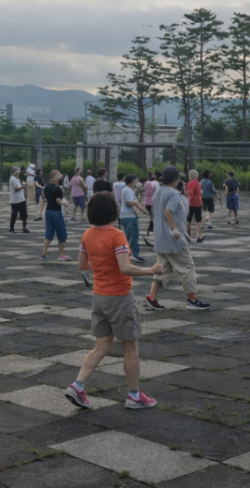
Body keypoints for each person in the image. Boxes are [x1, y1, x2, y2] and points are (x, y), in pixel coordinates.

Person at [65, 192, 164, 411]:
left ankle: (78, 385)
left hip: (99, 297)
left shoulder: (87, 234)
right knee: (131, 348)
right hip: (119, 297)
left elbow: (82, 265)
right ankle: (134, 395)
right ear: (113, 212)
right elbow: (125, 268)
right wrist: (151, 270)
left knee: (101, 346)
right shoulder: (117, 235)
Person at [146, 166, 210, 311]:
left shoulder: (158, 192)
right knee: (187, 268)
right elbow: (168, 213)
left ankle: (152, 297)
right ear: (174, 180)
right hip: (174, 239)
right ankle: (192, 300)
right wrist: (174, 228)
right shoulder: (173, 193)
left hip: (161, 238)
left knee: (162, 269)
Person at [41, 170, 71, 261]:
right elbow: (58, 201)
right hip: (56, 212)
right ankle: (61, 254)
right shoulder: (57, 189)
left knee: (49, 233)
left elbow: (44, 197)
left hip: (48, 211)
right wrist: (64, 203)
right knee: (62, 233)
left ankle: (43, 254)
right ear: (56, 178)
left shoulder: (46, 187)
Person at [119, 174, 147, 263]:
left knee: (129, 236)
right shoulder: (127, 190)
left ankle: (127, 254)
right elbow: (130, 203)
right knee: (133, 236)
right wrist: (141, 208)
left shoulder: (129, 190)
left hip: (129, 216)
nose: (137, 182)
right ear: (133, 181)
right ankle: (132, 255)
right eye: (136, 180)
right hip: (128, 216)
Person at [8, 166, 29, 233]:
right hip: (17, 200)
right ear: (15, 173)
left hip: (18, 199)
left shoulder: (15, 179)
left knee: (17, 215)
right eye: (18, 172)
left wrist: (22, 184)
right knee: (20, 215)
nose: (19, 174)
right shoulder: (13, 179)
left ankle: (13, 228)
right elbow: (16, 189)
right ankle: (21, 228)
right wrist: (23, 186)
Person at [186, 169, 204, 242]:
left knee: (188, 220)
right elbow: (199, 192)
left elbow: (190, 193)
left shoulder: (190, 183)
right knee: (198, 221)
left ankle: (188, 235)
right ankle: (198, 236)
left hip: (190, 203)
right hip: (198, 203)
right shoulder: (198, 183)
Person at [142, 171, 158, 244]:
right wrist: (155, 191)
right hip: (152, 202)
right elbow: (151, 193)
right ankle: (150, 233)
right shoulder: (152, 183)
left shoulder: (146, 183)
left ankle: (149, 233)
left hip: (147, 202)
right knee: (153, 218)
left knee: (152, 218)